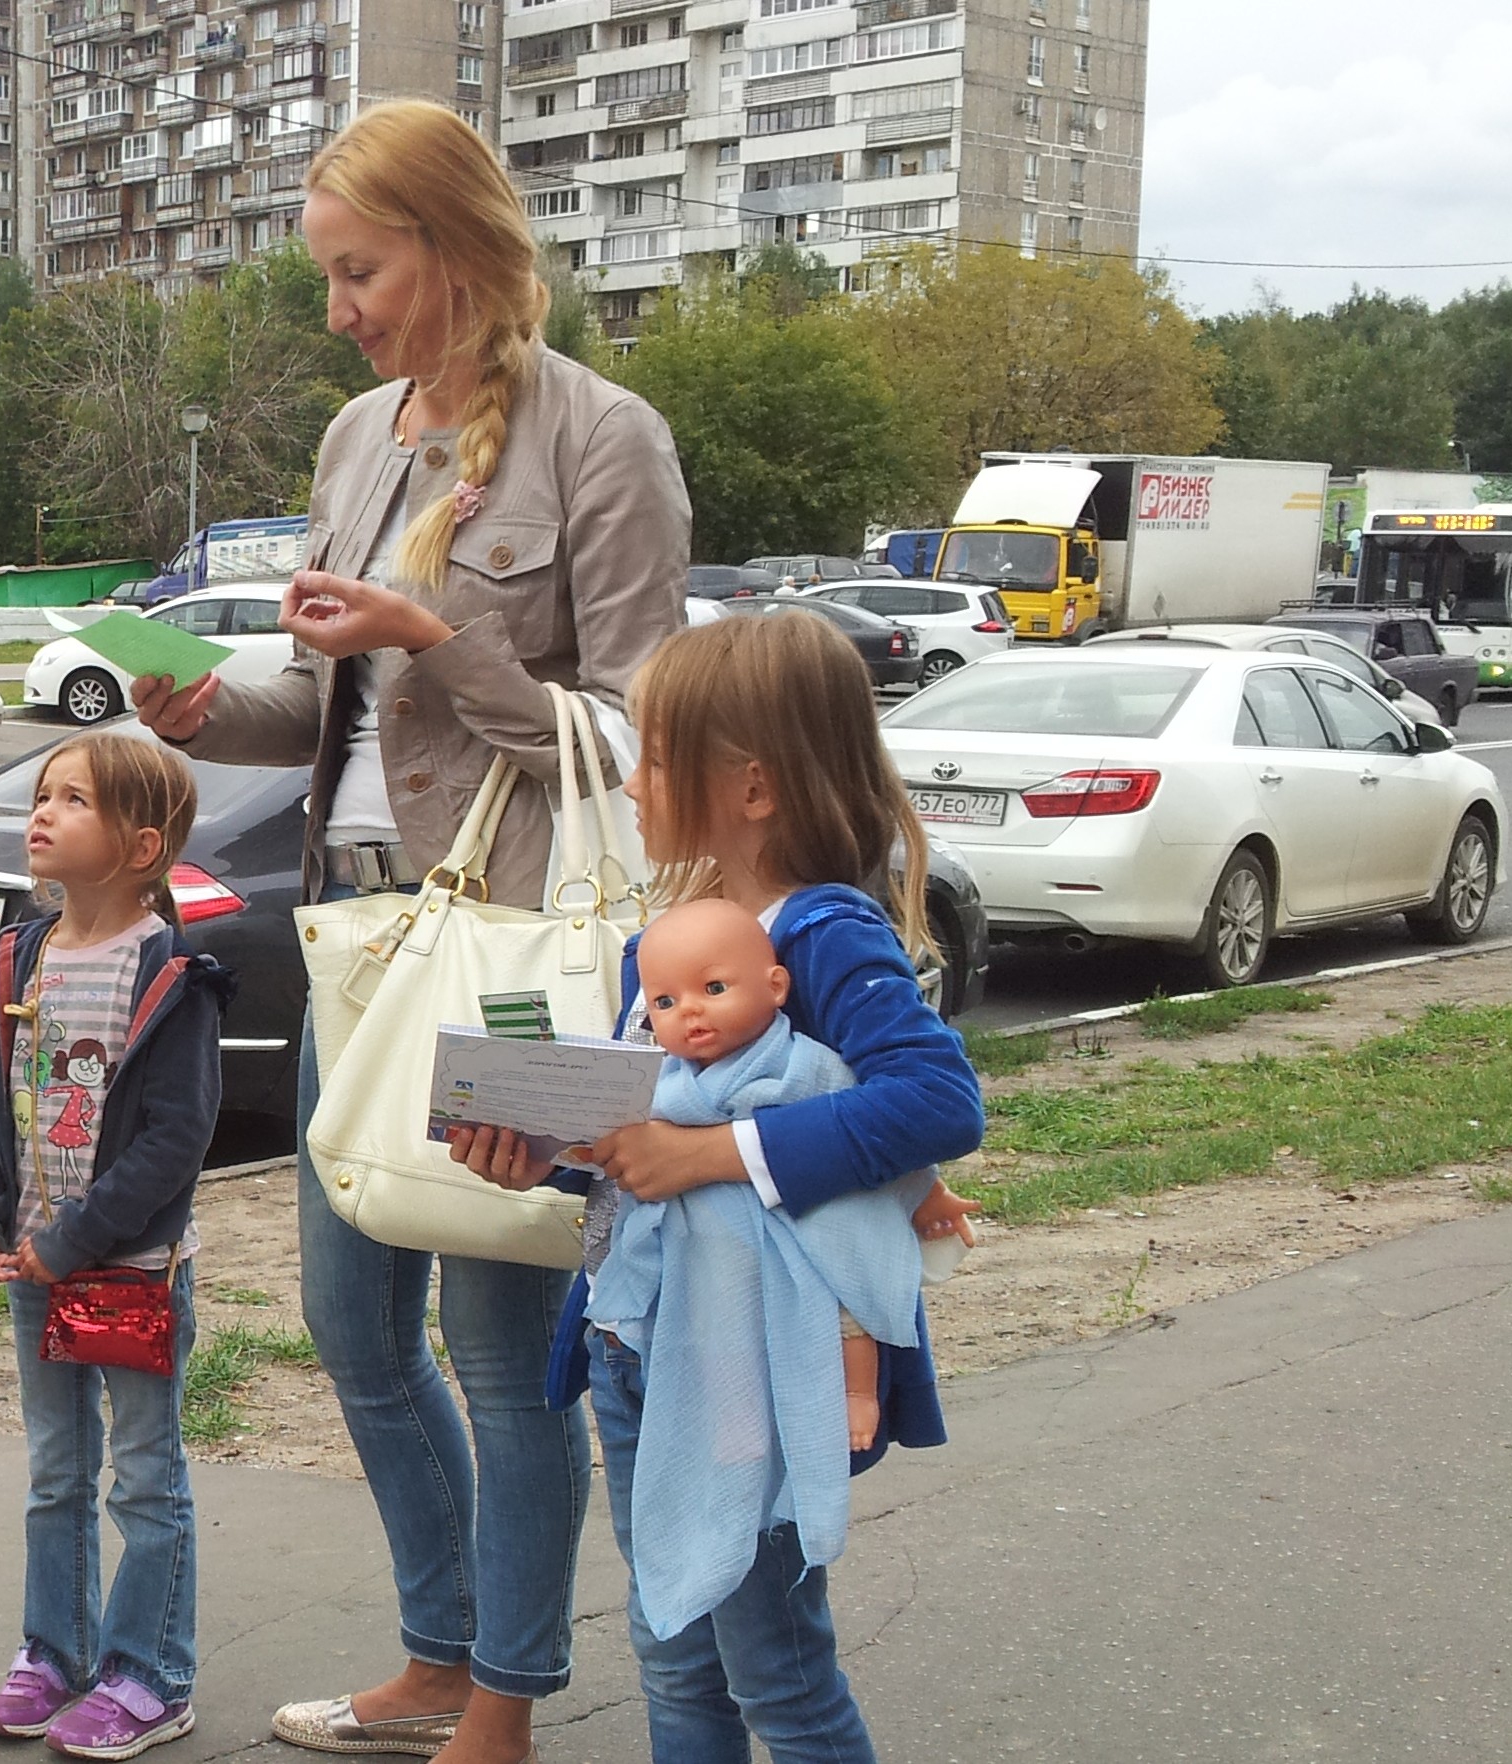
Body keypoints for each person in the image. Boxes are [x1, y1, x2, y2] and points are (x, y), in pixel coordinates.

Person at [131, 99, 689, 1764]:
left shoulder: (606, 438)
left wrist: (434, 640)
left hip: (516, 955)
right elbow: (312, 697)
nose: (338, 311)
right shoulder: (359, 438)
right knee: (351, 1324)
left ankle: (503, 1695)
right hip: (357, 937)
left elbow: (634, 736)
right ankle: (435, 1654)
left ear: (446, 251)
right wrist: (187, 703)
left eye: (355, 271)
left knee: (499, 1339)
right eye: (327, 276)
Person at [445, 613, 987, 1761]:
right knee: (673, 1649)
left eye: (650, 755)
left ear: (749, 787)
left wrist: (708, 1157)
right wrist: (547, 1148)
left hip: (750, 1359)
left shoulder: (824, 930)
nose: (631, 782)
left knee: (773, 1672)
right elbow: (645, 1128)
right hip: (642, 1344)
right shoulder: (689, 932)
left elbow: (939, 1101)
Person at [0, 732, 230, 1762]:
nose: (43, 812)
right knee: (57, 1471)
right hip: (37, 1264)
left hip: (128, 1270)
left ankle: (150, 1675)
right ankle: (52, 1656)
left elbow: (175, 1141)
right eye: (42, 794)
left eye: (74, 800)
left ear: (141, 844)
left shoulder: (173, 971)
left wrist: (77, 1237)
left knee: (144, 1476)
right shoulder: (18, 955)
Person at [601, 900, 976, 1457]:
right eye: (665, 1003)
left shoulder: (805, 1063)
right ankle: (736, 1420)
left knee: (848, 1298)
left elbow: (889, 1127)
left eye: (714, 990)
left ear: (777, 987)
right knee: (718, 1336)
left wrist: (924, 1194)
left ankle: (856, 1392)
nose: (690, 1012)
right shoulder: (663, 1082)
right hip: (711, 1253)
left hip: (809, 1226)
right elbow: (620, 1144)